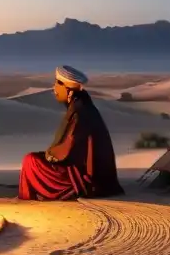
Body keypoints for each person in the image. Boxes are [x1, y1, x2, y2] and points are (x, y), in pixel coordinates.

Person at [18, 65, 124, 200]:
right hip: (79, 166)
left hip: (79, 174)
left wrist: (50, 154)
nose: (54, 88)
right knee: (34, 158)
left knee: (30, 160)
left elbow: (69, 146)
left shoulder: (79, 112)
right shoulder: (81, 106)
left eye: (58, 84)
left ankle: (32, 196)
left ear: (69, 91)